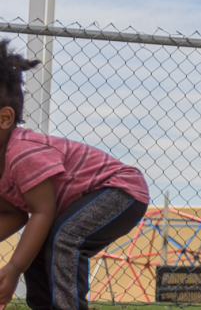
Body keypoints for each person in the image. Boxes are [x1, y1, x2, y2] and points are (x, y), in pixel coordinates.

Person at [0, 40, 150, 310]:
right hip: (77, 202)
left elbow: (42, 212)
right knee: (36, 249)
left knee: (63, 239)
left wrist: (12, 268)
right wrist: (19, 264)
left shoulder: (22, 154)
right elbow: (16, 215)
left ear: (5, 119)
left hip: (119, 191)